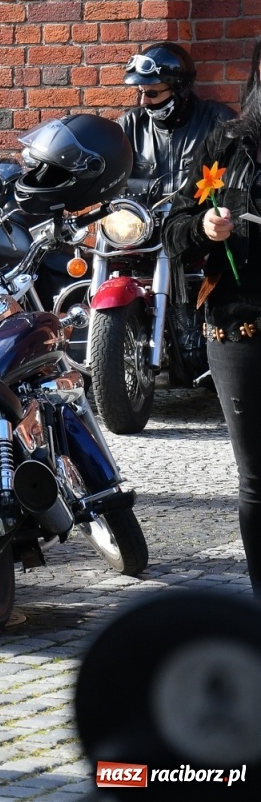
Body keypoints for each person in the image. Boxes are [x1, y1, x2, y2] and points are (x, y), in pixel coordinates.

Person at [164, 38, 261, 599]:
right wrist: (205, 228)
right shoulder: (229, 145)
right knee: (257, 475)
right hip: (240, 323)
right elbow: (176, 225)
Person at [117, 41, 233, 195]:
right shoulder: (130, 125)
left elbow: (237, 183)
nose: (143, 102)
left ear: (178, 90)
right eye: (141, 92)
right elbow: (110, 186)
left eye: (152, 93)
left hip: (199, 217)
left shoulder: (218, 121)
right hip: (145, 217)